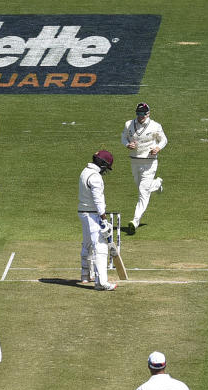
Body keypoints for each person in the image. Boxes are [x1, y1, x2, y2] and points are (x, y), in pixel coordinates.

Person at [121, 102, 168, 234]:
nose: (141, 116)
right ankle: (157, 184)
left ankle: (135, 221)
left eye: (143, 114)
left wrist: (158, 148)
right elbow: (123, 137)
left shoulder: (155, 126)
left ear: (148, 114)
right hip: (134, 161)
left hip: (149, 162)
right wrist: (127, 145)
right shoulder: (128, 124)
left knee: (143, 191)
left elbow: (164, 140)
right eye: (138, 114)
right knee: (142, 188)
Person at [78, 150, 117, 291]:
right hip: (93, 215)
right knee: (100, 247)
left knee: (87, 243)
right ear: (102, 163)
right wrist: (104, 219)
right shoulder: (95, 177)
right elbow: (98, 200)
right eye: (106, 167)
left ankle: (85, 275)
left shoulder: (85, 171)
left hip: (83, 212)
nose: (105, 170)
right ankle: (101, 283)